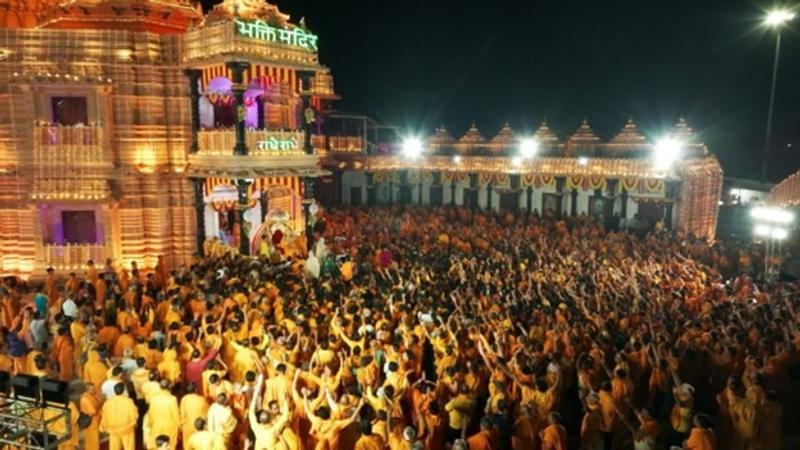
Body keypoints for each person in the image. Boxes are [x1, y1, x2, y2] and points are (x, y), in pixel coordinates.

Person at [100, 383, 139, 450]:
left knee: (114, 447)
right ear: (124, 391)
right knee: (129, 447)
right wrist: (135, 423)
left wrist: (103, 427)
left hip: (113, 430)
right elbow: (134, 414)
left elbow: (104, 416)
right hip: (126, 429)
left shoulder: (108, 403)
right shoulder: (128, 401)